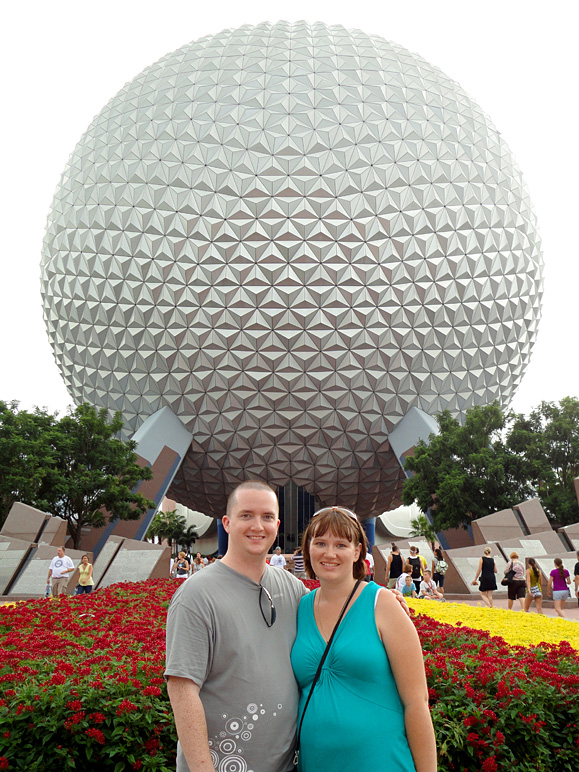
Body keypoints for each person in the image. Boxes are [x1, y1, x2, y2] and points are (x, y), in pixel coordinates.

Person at [165, 481, 309, 772]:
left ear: (277, 525)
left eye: (267, 517)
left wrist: (382, 603)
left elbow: (336, 621)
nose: (258, 525)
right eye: (246, 515)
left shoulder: (293, 588)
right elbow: (182, 690)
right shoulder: (196, 595)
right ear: (227, 523)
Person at [291, 506, 437, 772]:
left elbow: (417, 704)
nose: (329, 553)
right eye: (320, 543)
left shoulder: (382, 604)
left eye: (341, 544)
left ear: (357, 551)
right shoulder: (300, 607)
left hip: (380, 761)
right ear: (308, 548)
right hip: (315, 763)